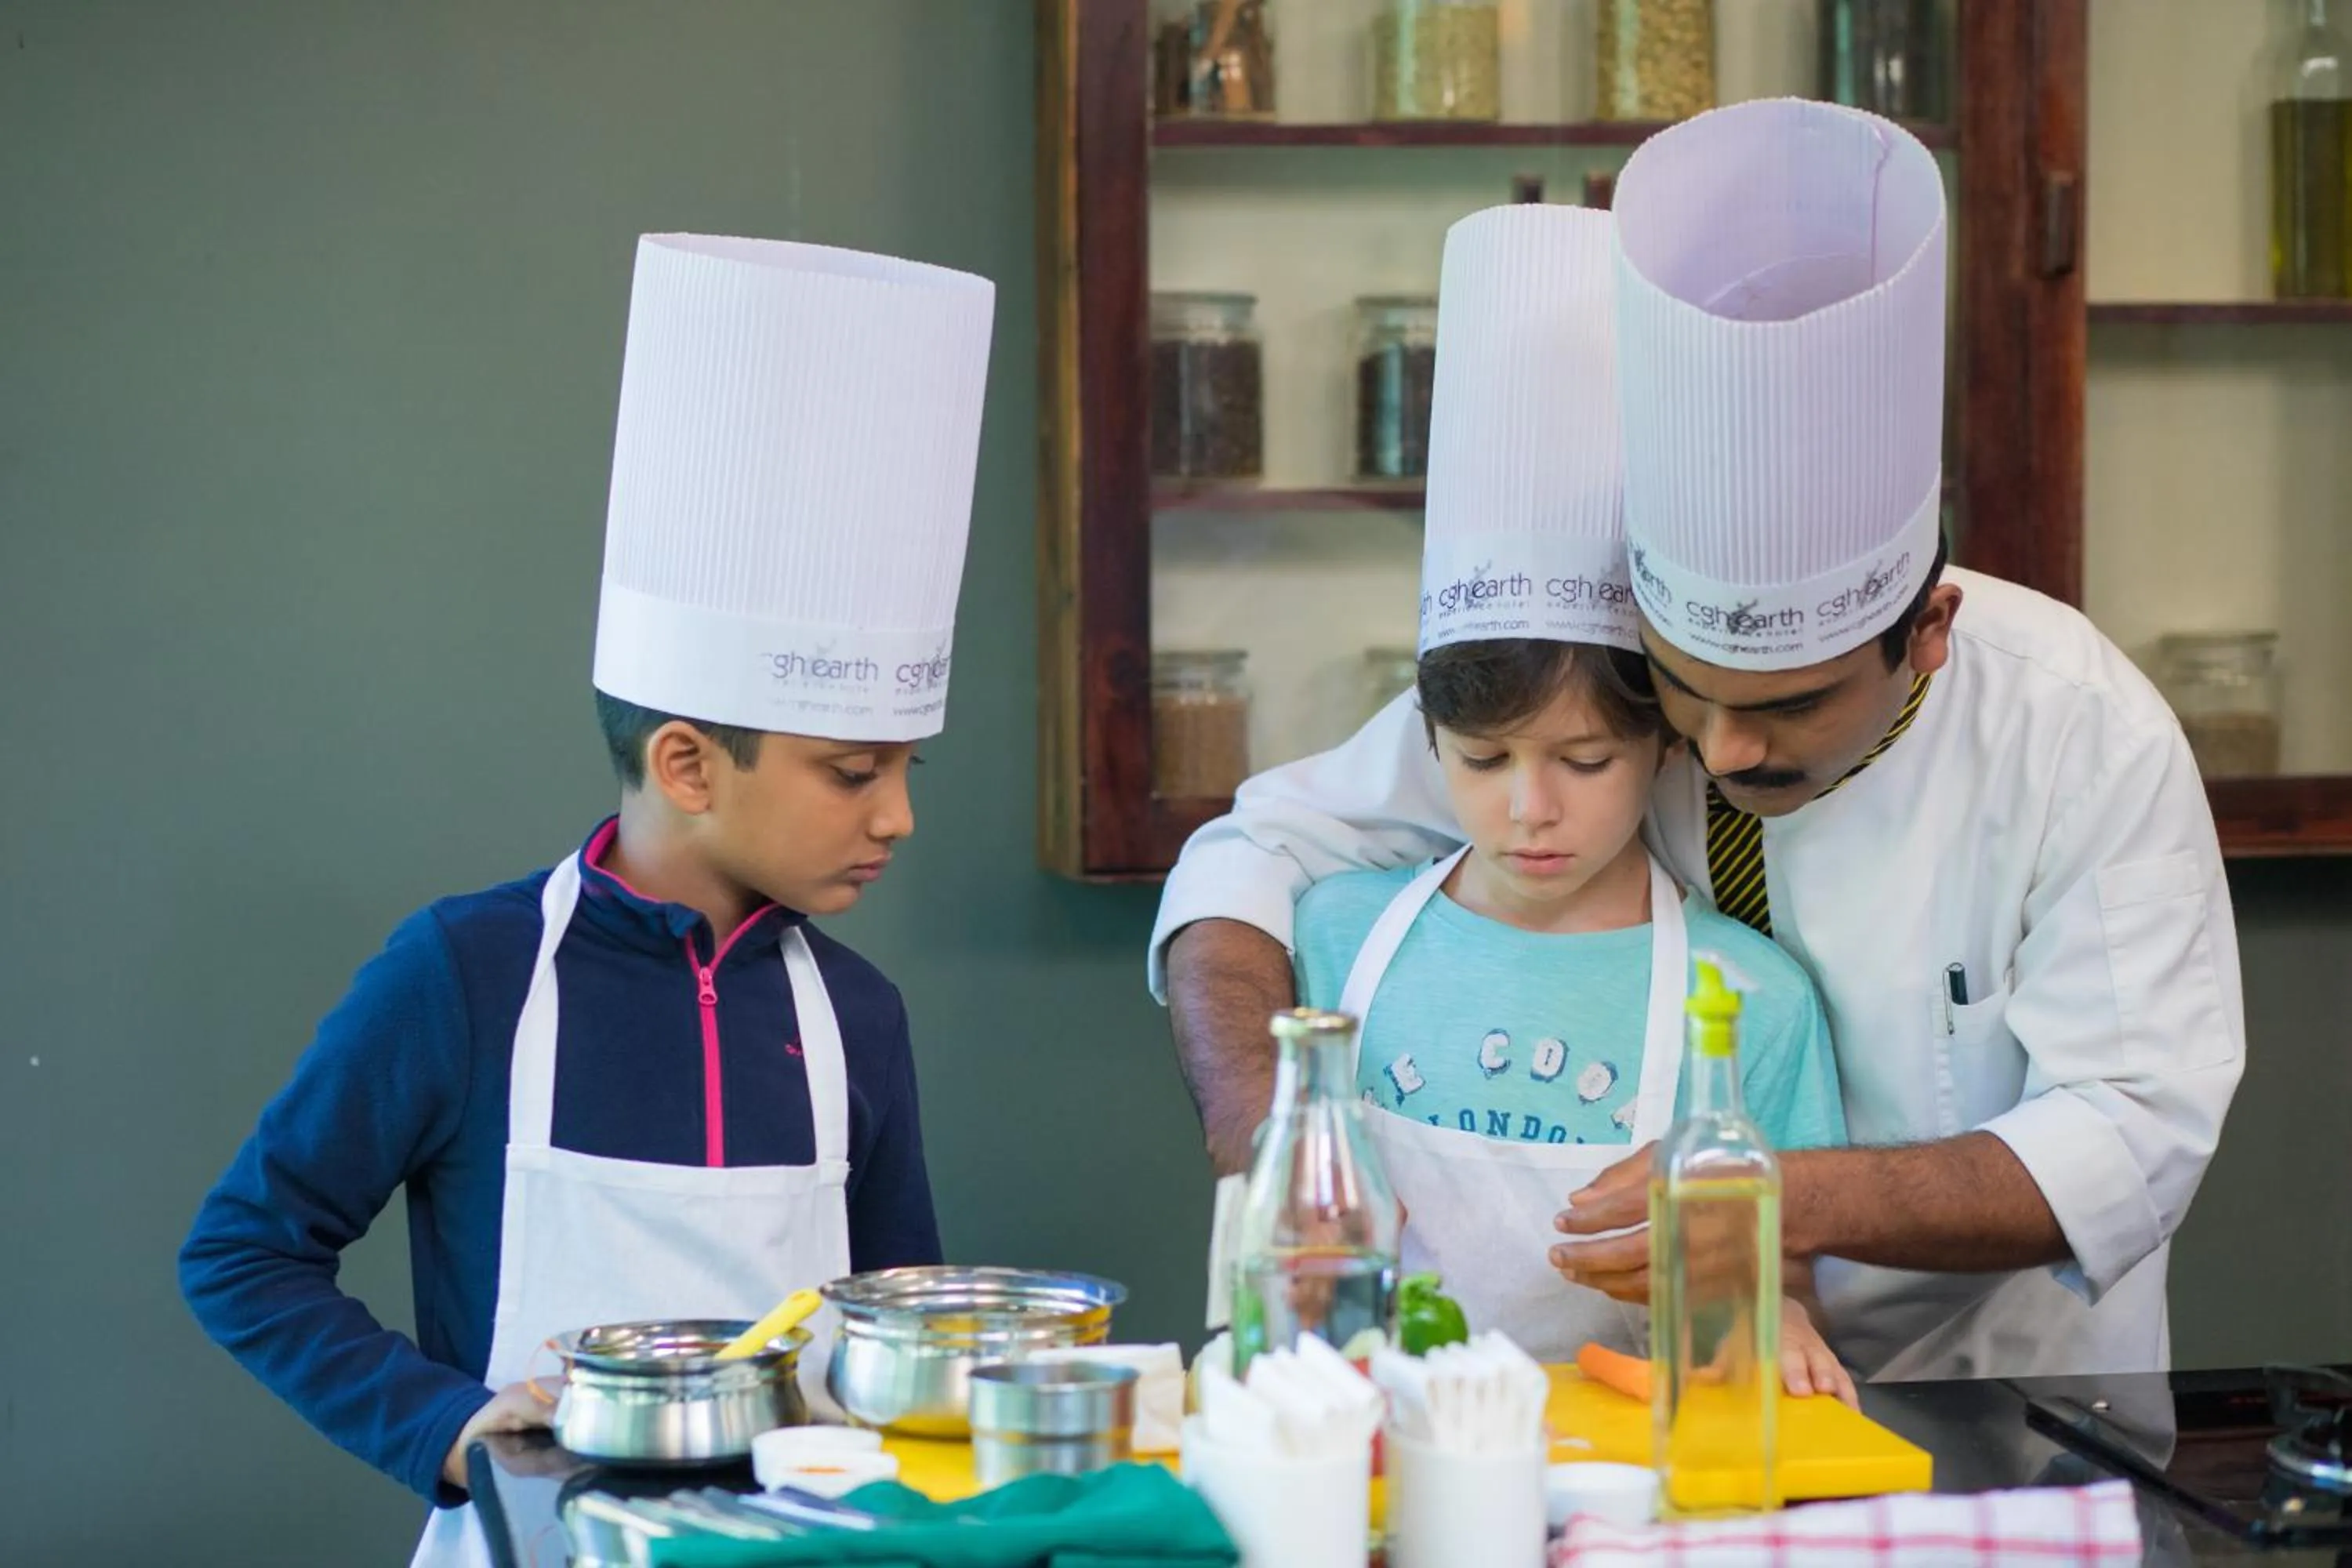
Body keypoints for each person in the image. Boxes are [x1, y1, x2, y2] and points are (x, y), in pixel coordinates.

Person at [1154, 100, 2245, 1383]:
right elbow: (1254, 857)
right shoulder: (1594, 693)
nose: (1721, 753)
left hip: (1993, 1395)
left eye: (1792, 707)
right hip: (1645, 1406)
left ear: (1930, 631)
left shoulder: (2079, 733)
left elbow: (2131, 1130)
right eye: (1683, 692)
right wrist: (1271, 1134)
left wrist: (1763, 1193)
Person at [179, 235, 995, 1563]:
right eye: (853, 774)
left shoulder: (859, 1015)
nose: (897, 815)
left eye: (907, 770)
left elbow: (900, 1331)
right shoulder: (465, 976)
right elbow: (242, 1256)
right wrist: (446, 1425)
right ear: (686, 762)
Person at [1286, 204, 1851, 1401]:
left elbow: (1783, 1269)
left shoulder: (1751, 999)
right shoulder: (1334, 937)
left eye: (1584, 762)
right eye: (1482, 762)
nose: (1528, 810)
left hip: (1624, 1474)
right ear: (1426, 738)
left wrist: (1772, 1312)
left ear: (1666, 747)